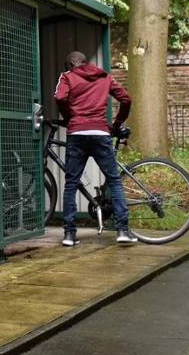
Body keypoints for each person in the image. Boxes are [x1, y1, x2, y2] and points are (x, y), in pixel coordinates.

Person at [54, 51, 135, 247]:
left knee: (71, 183)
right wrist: (117, 124)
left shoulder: (67, 77)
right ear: (85, 62)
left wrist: (70, 117)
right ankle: (123, 230)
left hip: (77, 134)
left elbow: (59, 97)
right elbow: (126, 99)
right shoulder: (104, 76)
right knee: (114, 181)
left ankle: (69, 234)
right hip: (100, 133)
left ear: (71, 64)